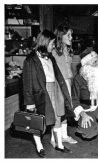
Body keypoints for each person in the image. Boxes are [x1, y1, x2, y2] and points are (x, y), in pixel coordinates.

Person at [22, 29, 73, 158]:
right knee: (38, 121)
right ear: (44, 43)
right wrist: (29, 102)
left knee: (58, 117)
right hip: (41, 93)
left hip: (54, 90)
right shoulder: (30, 60)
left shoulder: (50, 58)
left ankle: (59, 144)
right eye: (51, 43)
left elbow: (57, 75)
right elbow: (27, 84)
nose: (54, 46)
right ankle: (39, 147)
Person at [71, 50, 98, 148]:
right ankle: (85, 126)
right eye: (94, 61)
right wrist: (83, 114)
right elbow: (74, 100)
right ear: (86, 65)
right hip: (86, 109)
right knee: (89, 133)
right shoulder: (78, 79)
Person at [52, 24, 77, 144]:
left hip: (68, 82)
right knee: (59, 111)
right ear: (60, 36)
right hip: (58, 84)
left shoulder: (67, 49)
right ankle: (55, 138)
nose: (71, 37)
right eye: (68, 35)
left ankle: (64, 136)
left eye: (71, 35)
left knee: (66, 110)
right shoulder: (54, 51)